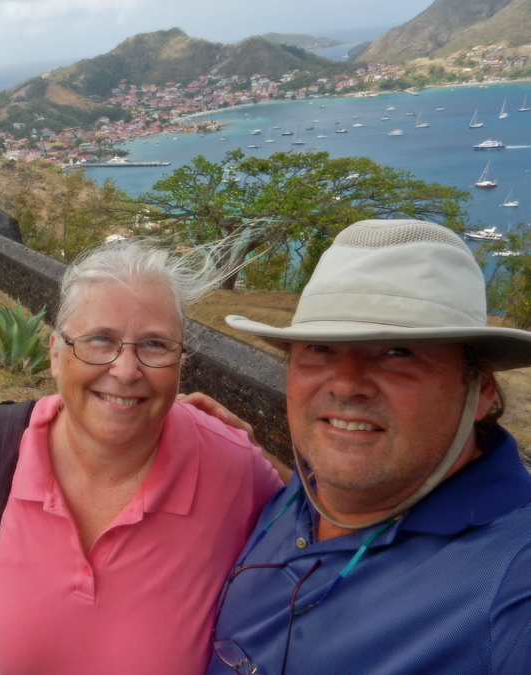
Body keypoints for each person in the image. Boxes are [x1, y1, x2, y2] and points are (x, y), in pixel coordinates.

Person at [0, 239, 283, 675]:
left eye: (154, 345)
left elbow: (332, 528)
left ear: (181, 362)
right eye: (99, 340)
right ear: (55, 354)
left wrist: (256, 450)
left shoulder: (232, 467)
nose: (127, 371)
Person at [204, 219, 531, 675]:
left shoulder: (512, 588)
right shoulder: (306, 493)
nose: (346, 384)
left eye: (398, 352)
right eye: (320, 348)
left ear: (482, 392)